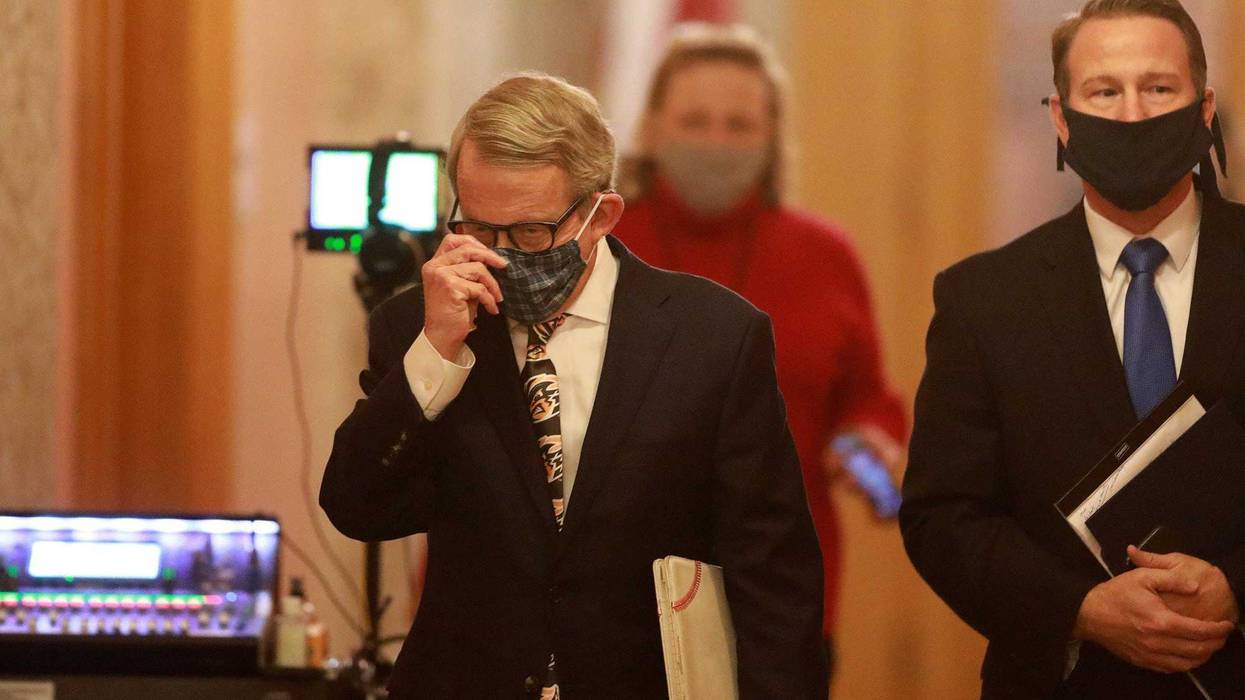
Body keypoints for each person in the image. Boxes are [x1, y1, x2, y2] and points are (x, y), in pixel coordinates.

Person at [320, 73, 827, 698]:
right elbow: (358, 507)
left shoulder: (715, 338)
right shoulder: (417, 324)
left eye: (532, 232)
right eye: (479, 229)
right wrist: (434, 354)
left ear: (599, 214)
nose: (502, 255)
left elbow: (773, 576)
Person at [900, 1, 1245, 697]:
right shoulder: (980, 299)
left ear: (1202, 108)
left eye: (1157, 88)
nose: (1129, 115)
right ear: (1060, 118)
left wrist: (1236, 589)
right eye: (1102, 91)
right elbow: (944, 517)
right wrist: (1081, 610)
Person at [612, 23, 907, 666]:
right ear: (652, 128)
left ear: (771, 137)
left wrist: (867, 444)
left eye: (738, 125)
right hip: (614, 607)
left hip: (780, 607)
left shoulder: (824, 254)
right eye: (695, 120)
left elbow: (865, 401)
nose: (716, 142)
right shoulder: (596, 247)